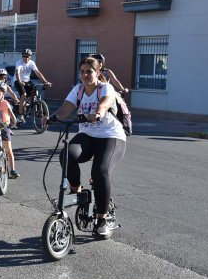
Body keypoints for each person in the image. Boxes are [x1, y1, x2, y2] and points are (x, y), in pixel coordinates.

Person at [43, 57, 126, 237]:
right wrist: (51, 118)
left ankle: (102, 220)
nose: (85, 75)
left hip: (111, 136)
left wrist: (97, 113)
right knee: (67, 154)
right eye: (82, 71)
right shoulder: (78, 90)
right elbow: (66, 109)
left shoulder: (105, 88)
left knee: (99, 171)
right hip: (88, 135)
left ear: (97, 73)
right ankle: (78, 193)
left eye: (89, 71)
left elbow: (105, 103)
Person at [14, 49, 52, 123]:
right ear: (22, 56)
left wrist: (45, 82)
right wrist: (20, 82)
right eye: (24, 56)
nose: (26, 58)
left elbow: (37, 72)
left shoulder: (31, 63)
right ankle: (20, 115)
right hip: (17, 81)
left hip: (27, 81)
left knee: (34, 91)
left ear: (30, 57)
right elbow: (17, 73)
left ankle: (28, 103)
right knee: (24, 95)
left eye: (27, 56)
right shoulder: (19, 63)